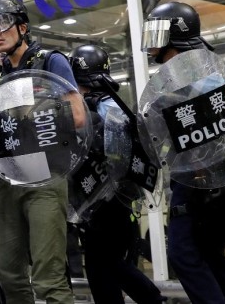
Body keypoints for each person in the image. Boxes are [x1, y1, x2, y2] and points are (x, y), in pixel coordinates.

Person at [0, 0, 86, 303]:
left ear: (22, 27)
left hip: (46, 177)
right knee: (9, 275)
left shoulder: (50, 62)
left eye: (3, 23)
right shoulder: (0, 77)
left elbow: (78, 115)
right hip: (9, 180)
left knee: (48, 279)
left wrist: (33, 117)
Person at [141, 1, 225, 303]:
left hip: (199, 179)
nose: (151, 42)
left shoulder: (194, 75)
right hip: (206, 179)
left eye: (157, 32)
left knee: (184, 253)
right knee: (210, 255)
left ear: (174, 34)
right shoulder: (204, 66)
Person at [69, 44, 167, 303]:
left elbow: (116, 153)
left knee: (108, 264)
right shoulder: (113, 103)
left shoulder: (101, 107)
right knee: (101, 269)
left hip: (110, 200)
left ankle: (153, 299)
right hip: (106, 199)